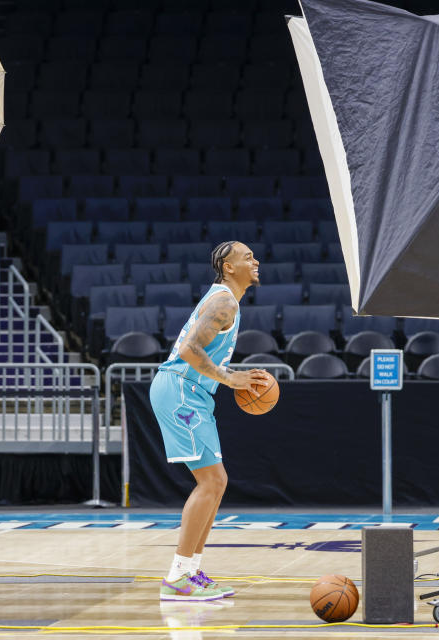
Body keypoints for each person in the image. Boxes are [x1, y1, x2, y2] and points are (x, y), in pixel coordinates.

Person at [150, 241, 269, 602]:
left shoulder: (227, 301)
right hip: (181, 391)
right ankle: (178, 577)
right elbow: (188, 350)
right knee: (212, 480)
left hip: (193, 393)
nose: (256, 261)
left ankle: (191, 571)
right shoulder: (223, 301)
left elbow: (200, 353)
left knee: (216, 482)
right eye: (248, 257)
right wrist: (231, 379)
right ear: (228, 267)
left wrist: (231, 375)